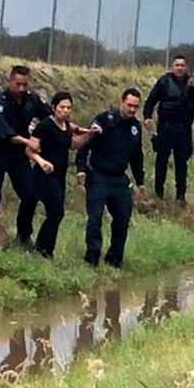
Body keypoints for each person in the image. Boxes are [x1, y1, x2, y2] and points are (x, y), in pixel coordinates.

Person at [76, 88, 146, 269]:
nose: (132, 110)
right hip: (99, 175)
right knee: (95, 218)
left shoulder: (135, 128)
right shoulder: (104, 120)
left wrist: (140, 182)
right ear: (121, 102)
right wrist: (81, 168)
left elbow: (137, 156)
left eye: (135, 107)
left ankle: (114, 260)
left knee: (123, 218)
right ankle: (92, 259)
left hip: (119, 178)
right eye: (129, 105)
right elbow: (86, 144)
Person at [0, 65, 51, 248]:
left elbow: (50, 118)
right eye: (18, 84)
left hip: (18, 155)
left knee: (30, 195)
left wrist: (72, 128)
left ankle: (23, 236)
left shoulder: (32, 99)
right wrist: (29, 142)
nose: (21, 89)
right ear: (10, 81)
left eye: (25, 85)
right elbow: (5, 132)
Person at [25, 92, 99, 259]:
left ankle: (44, 249)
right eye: (62, 107)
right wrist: (41, 161)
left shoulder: (66, 126)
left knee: (56, 214)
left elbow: (73, 144)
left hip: (60, 175)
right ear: (54, 108)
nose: (65, 111)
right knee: (56, 212)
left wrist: (90, 134)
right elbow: (29, 149)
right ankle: (43, 250)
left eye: (68, 108)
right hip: (44, 175)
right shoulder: (45, 125)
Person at [143, 55, 194, 205]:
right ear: (172, 66)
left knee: (181, 161)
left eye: (182, 65)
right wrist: (147, 117)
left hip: (183, 130)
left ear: (186, 67)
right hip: (165, 128)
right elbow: (151, 101)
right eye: (177, 65)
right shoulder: (164, 81)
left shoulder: (192, 82)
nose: (179, 68)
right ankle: (158, 193)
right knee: (161, 161)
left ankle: (180, 196)